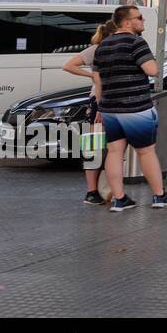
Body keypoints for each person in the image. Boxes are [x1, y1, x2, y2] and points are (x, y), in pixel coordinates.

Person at [95, 6, 167, 211]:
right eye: (139, 18)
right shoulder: (136, 42)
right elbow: (152, 70)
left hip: (110, 108)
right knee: (146, 153)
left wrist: (101, 107)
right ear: (127, 22)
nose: (143, 22)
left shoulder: (103, 44)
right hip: (135, 108)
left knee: (114, 152)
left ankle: (119, 199)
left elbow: (98, 79)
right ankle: (159, 196)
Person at [61, 18, 116, 206]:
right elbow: (68, 65)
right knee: (96, 146)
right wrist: (90, 75)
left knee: (107, 148)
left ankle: (102, 191)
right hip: (99, 103)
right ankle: (92, 191)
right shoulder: (97, 49)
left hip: (108, 102)